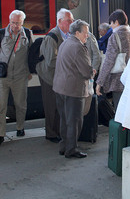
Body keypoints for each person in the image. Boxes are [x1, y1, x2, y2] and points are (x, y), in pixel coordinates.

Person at [0, 10, 33, 147]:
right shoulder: (1, 34)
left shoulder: (27, 34)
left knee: (20, 104)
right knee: (1, 106)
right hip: (2, 77)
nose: (15, 26)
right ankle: (0, 134)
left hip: (20, 76)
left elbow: (31, 54)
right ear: (9, 20)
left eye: (18, 23)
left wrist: (29, 71)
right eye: (13, 22)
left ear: (22, 22)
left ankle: (20, 127)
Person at [53, 19, 96, 159]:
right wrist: (92, 72)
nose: (87, 35)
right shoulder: (78, 47)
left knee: (65, 119)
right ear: (77, 33)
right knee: (75, 121)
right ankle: (71, 149)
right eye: (85, 32)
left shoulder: (65, 43)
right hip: (73, 90)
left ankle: (64, 146)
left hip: (60, 88)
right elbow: (85, 71)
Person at [36, 8, 74, 143]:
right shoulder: (52, 36)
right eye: (69, 20)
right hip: (49, 76)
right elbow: (51, 60)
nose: (72, 23)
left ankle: (58, 131)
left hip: (59, 76)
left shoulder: (67, 35)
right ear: (60, 21)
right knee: (51, 105)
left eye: (72, 20)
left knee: (59, 105)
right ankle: (51, 134)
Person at [95, 9, 130, 110]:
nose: (110, 25)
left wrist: (100, 82)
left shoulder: (114, 37)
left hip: (118, 80)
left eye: (111, 22)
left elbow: (109, 61)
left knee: (120, 110)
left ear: (116, 22)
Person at [83, 31, 101, 116]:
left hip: (89, 75)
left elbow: (96, 55)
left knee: (88, 100)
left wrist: (93, 70)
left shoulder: (90, 36)